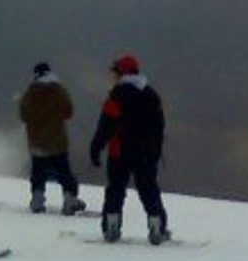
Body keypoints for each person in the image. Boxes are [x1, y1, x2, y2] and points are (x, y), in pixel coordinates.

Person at [90, 55, 169, 245]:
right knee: (149, 189)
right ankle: (156, 225)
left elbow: (105, 126)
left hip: (120, 151)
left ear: (121, 73)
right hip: (146, 152)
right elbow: (159, 127)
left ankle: (111, 226)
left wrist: (96, 147)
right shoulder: (151, 95)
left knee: (116, 190)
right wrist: (156, 151)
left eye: (116, 72)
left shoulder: (116, 96)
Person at [18, 62, 87, 215]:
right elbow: (69, 111)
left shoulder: (31, 92)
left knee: (38, 172)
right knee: (64, 172)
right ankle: (69, 200)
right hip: (57, 141)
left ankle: (37, 199)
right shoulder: (59, 90)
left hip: (37, 142)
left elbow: (23, 114)